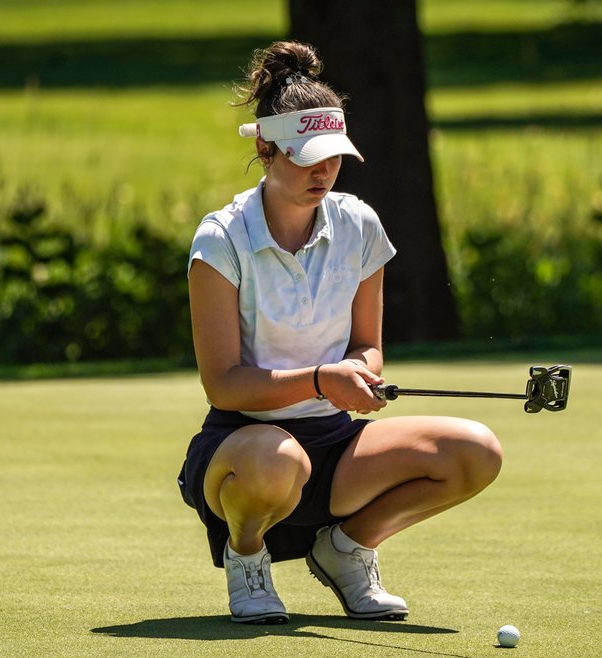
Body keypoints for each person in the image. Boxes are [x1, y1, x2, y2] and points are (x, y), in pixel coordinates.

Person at [178, 41, 503, 625]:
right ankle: (245, 555)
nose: (323, 171)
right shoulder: (220, 240)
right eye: (306, 156)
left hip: (336, 445)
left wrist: (360, 374)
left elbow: (367, 345)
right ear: (265, 147)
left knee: (475, 452)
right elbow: (223, 386)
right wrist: (325, 380)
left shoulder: (359, 224)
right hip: (244, 448)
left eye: (333, 156)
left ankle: (347, 550)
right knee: (279, 462)